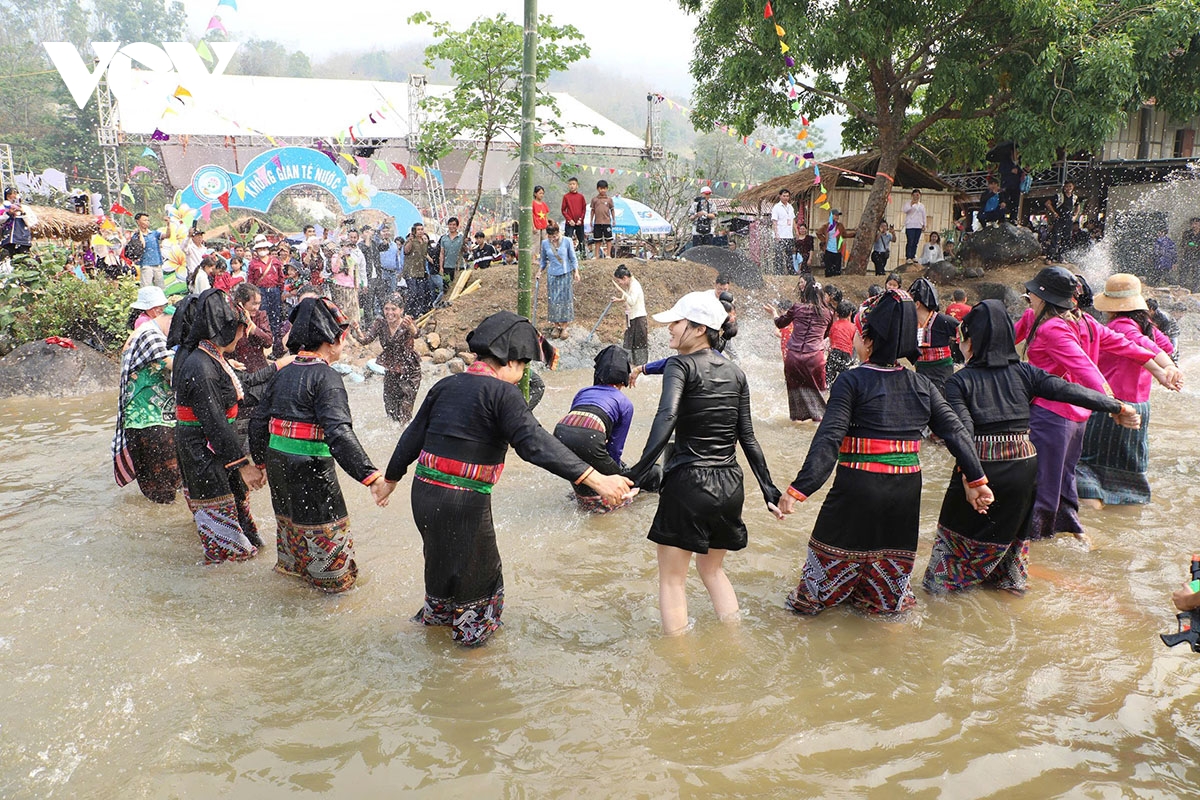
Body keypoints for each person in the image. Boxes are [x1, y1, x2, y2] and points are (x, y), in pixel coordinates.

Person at [382, 311, 632, 645]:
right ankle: (471, 676)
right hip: (465, 502)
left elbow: (412, 436)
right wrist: (597, 480)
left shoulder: (445, 385)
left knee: (441, 573)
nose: (522, 374)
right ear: (511, 361)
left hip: (424, 495)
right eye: (524, 366)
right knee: (479, 591)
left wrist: (390, 479)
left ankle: (431, 636)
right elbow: (535, 444)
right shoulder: (504, 394)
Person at [777, 289, 993, 616]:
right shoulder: (923, 386)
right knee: (888, 606)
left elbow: (829, 436)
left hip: (857, 488)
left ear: (866, 340)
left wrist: (799, 490)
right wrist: (977, 480)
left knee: (806, 606)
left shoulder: (851, 381)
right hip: (905, 490)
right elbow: (955, 432)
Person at [922, 300, 1138, 595]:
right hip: (1025, 470)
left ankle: (946, 596)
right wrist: (1116, 406)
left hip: (984, 467)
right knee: (1012, 546)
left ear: (971, 341)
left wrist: (972, 477)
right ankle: (1009, 590)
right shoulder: (1025, 373)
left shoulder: (959, 382)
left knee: (949, 561)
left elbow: (961, 432)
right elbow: (1069, 390)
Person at [626, 292, 782, 634]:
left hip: (689, 483)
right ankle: (734, 641)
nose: (668, 330)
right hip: (730, 485)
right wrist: (769, 489)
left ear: (699, 329)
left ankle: (678, 668)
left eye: (676, 323)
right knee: (712, 571)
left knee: (671, 581)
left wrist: (635, 476)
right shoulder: (737, 373)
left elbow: (666, 418)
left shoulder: (680, 365)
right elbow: (748, 438)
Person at [1016, 266, 1177, 542]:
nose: (1027, 295)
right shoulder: (1083, 323)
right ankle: (1074, 532)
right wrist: (1164, 368)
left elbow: (1086, 368)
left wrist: (1115, 406)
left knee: (1043, 481)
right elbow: (1127, 345)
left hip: (1051, 415)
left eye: (1032, 292)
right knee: (1065, 478)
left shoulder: (1053, 327)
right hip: (1078, 416)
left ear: (1045, 297)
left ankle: (1036, 546)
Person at [249, 298, 388, 592]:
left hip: (278, 464)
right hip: (311, 470)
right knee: (333, 575)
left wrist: (260, 464)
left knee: (292, 541)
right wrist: (371, 477)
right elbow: (338, 433)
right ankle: (333, 585)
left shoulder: (283, 373)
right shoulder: (327, 377)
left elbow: (259, 421)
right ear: (332, 339)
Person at [173, 289, 266, 563]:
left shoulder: (212, 357)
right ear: (224, 330)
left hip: (216, 448)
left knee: (237, 513)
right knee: (225, 545)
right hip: (202, 452)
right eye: (239, 330)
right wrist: (242, 464)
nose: (242, 336)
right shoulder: (201, 367)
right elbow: (214, 422)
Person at [1076, 274, 1182, 507]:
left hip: (1112, 406)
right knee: (1126, 473)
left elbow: (1142, 347)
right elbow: (1161, 346)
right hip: (1140, 407)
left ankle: (1092, 523)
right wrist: (1169, 367)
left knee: (1085, 468)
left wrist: (1164, 370)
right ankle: (1122, 522)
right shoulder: (1146, 326)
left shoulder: (1120, 326)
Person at [553, 346, 658, 512]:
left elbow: (575, 429)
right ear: (624, 376)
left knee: (584, 460)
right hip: (591, 436)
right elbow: (615, 448)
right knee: (640, 478)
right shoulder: (624, 403)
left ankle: (582, 496)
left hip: (559, 433)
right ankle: (609, 506)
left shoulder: (583, 391)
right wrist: (617, 477)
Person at [112, 286, 180, 504]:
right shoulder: (150, 334)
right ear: (160, 312)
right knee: (164, 488)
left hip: (147, 419)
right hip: (149, 419)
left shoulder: (145, 329)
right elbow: (175, 365)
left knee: (158, 491)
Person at [766, 277, 834, 422]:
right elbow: (826, 334)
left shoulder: (797, 307)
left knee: (794, 392)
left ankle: (796, 422)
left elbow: (780, 323)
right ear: (821, 296)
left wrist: (774, 313)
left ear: (805, 294)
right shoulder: (828, 314)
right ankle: (817, 423)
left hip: (793, 357)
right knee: (818, 393)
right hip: (815, 357)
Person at [351, 294, 422, 424]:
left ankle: (404, 438)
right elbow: (365, 340)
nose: (390, 313)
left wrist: (411, 326)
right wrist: (356, 329)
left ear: (401, 310)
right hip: (391, 369)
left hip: (410, 371)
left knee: (405, 411)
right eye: (386, 309)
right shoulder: (380, 324)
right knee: (390, 410)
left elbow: (416, 334)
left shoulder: (407, 322)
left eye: (393, 309)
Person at [908, 278, 960, 395]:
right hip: (921, 369)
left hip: (941, 372)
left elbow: (965, 334)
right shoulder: (911, 323)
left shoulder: (943, 321)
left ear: (917, 304)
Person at [539, 222, 580, 339]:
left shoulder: (567, 241)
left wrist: (576, 272)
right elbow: (543, 261)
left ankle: (565, 327)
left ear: (559, 233)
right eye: (550, 237)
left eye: (555, 236)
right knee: (553, 300)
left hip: (565, 274)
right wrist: (539, 272)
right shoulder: (545, 243)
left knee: (565, 300)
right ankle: (556, 326)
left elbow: (573, 258)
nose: (553, 239)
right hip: (552, 275)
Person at [247, 234, 284, 358]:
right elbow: (250, 281)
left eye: (264, 248)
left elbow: (281, 279)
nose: (262, 250)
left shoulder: (276, 262)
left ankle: (276, 348)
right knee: (262, 316)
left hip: (274, 291)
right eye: (259, 248)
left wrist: (280, 292)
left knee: (276, 319)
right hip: (260, 292)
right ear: (256, 250)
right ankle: (261, 345)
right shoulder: (253, 264)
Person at [613, 264, 648, 365]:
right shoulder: (630, 284)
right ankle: (628, 366)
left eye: (619, 281)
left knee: (639, 346)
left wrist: (621, 291)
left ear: (625, 278)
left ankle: (641, 368)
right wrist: (620, 299)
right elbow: (630, 299)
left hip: (639, 319)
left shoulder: (635, 285)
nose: (620, 284)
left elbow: (632, 301)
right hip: (632, 318)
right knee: (629, 343)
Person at [328, 241, 361, 327]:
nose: (348, 248)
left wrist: (356, 285)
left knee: (352, 310)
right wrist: (340, 256)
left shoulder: (351, 258)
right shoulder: (335, 256)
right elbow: (334, 269)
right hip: (340, 286)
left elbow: (355, 272)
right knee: (342, 310)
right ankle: (342, 329)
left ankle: (353, 329)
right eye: (346, 246)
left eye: (350, 246)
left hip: (351, 286)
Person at [1044, 182, 1079, 262]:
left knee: (1066, 238)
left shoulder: (1074, 197)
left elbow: (1078, 206)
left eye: (1070, 186)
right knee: (1055, 237)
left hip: (1069, 219)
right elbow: (1047, 203)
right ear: (1064, 187)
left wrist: (1075, 215)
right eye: (1067, 186)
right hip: (1059, 218)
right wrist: (1054, 212)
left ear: (1073, 187)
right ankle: (1050, 257)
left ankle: (1061, 257)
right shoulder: (1059, 196)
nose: (1068, 188)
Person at [402, 223, 431, 316]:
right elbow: (406, 251)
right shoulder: (410, 240)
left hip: (421, 271)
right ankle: (407, 312)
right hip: (410, 271)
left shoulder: (424, 242)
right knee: (413, 293)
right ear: (414, 231)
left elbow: (424, 255)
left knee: (421, 294)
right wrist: (410, 241)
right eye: (418, 229)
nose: (420, 231)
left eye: (422, 229)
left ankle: (417, 313)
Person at [133, 212, 167, 289]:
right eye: (144, 220)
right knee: (146, 288)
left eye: (148, 220)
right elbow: (142, 245)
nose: (147, 222)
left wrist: (168, 224)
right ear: (138, 222)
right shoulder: (136, 235)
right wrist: (140, 232)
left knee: (160, 289)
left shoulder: (154, 233)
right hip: (146, 265)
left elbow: (167, 235)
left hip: (157, 264)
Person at [826, 300, 856, 385]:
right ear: (850, 314)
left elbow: (831, 340)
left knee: (828, 379)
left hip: (834, 353)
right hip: (846, 355)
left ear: (837, 313)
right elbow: (854, 342)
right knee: (844, 380)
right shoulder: (853, 327)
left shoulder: (834, 325)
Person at [0, 187, 33, 261]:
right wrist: (8, 214)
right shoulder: (2, 208)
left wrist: (22, 212)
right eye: (9, 195)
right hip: (7, 241)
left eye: (15, 194)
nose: (13, 196)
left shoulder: (26, 208)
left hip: (23, 240)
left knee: (25, 261)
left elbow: (32, 222)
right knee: (5, 261)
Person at [820, 209, 853, 277]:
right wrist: (824, 240)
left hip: (837, 251)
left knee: (837, 271)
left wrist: (854, 234)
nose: (837, 217)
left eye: (838, 215)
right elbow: (818, 233)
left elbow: (844, 235)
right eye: (836, 215)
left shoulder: (840, 226)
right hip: (828, 250)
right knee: (828, 270)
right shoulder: (826, 226)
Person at [561, 176, 588, 258]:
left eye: (573, 184)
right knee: (568, 238)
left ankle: (583, 255)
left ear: (577, 185)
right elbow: (563, 210)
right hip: (570, 222)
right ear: (568, 186)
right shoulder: (566, 197)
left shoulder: (581, 197)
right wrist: (569, 220)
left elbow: (584, 209)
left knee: (581, 239)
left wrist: (581, 219)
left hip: (579, 222)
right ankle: (566, 256)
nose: (572, 186)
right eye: (570, 184)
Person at [770, 189, 796, 275]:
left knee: (789, 255)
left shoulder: (790, 207)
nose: (786, 198)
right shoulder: (776, 207)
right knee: (779, 255)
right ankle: (778, 272)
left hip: (789, 235)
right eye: (784, 196)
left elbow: (793, 220)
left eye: (787, 196)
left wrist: (796, 231)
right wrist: (776, 234)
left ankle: (791, 271)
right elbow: (774, 221)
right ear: (780, 196)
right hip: (780, 235)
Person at [591, 179, 615, 259]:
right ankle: (596, 255)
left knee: (608, 239)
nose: (603, 190)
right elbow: (593, 210)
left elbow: (612, 210)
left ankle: (608, 254)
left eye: (604, 188)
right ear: (598, 189)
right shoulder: (594, 200)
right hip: (597, 222)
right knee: (597, 240)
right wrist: (591, 220)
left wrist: (614, 220)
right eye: (601, 188)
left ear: (607, 189)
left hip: (607, 222)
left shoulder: (609, 200)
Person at [901, 189, 927, 263]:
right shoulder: (908, 203)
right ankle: (908, 256)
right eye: (915, 195)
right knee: (910, 241)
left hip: (918, 225)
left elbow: (924, 215)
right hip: (910, 225)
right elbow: (905, 210)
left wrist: (924, 224)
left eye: (918, 195)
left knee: (916, 242)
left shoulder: (921, 205)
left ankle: (913, 255)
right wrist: (911, 204)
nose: (916, 196)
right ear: (912, 195)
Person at [438, 217, 466, 286]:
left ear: (457, 226)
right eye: (450, 224)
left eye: (454, 225)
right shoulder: (444, 238)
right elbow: (442, 253)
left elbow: (466, 251)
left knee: (459, 286)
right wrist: (441, 267)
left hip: (459, 266)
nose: (452, 226)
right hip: (447, 266)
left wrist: (465, 246)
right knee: (447, 288)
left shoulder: (461, 237)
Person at [1178, 217, 1200, 291]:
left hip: (1198, 257)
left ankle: (1195, 291)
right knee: (1183, 274)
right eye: (1192, 224)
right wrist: (1192, 245)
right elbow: (1183, 244)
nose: (1194, 226)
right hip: (1187, 256)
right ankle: (1181, 290)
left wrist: (1194, 246)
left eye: (1196, 224)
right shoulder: (1187, 233)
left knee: (1196, 275)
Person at [530, 188, 550, 255]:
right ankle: (533, 258)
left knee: (545, 242)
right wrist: (533, 226)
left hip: (544, 226)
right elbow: (531, 215)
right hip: (536, 226)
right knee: (536, 243)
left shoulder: (544, 204)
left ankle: (543, 257)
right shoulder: (532, 203)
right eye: (540, 193)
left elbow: (545, 216)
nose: (541, 195)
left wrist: (547, 225)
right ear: (535, 194)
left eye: (542, 193)